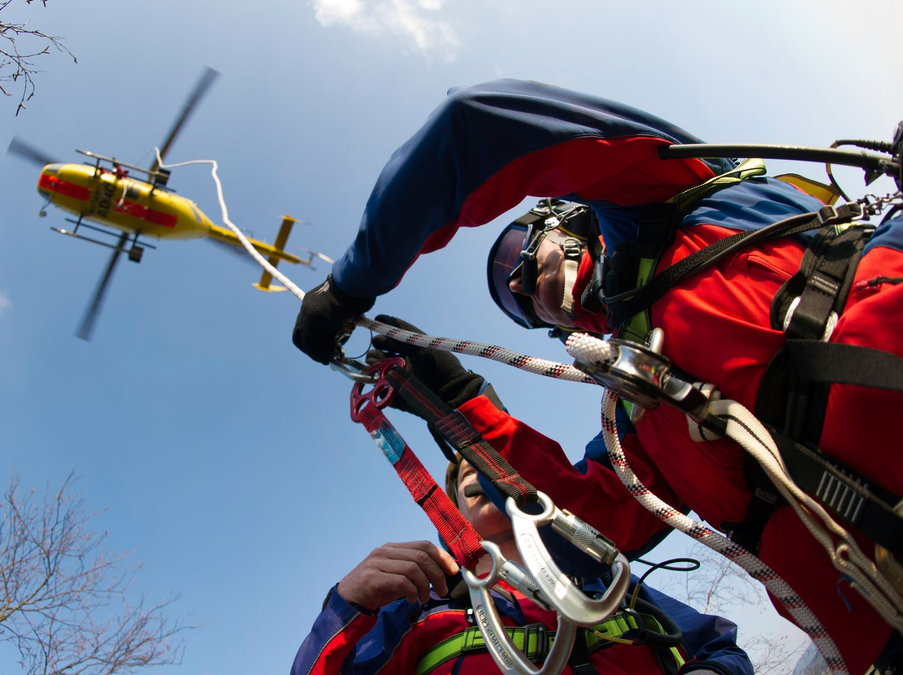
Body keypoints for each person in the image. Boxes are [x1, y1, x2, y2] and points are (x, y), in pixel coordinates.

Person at [290, 78, 903, 671]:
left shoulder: (672, 196)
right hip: (879, 621)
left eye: (519, 256)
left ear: (570, 218)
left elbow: (477, 125)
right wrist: (453, 400)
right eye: (517, 306)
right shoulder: (636, 415)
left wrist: (352, 284)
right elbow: (590, 522)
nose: (520, 285)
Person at [290, 453, 753, 675]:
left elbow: (719, 649)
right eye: (464, 478)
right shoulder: (418, 607)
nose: (474, 475)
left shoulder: (605, 582)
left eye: (483, 468)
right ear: (452, 511)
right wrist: (345, 605)